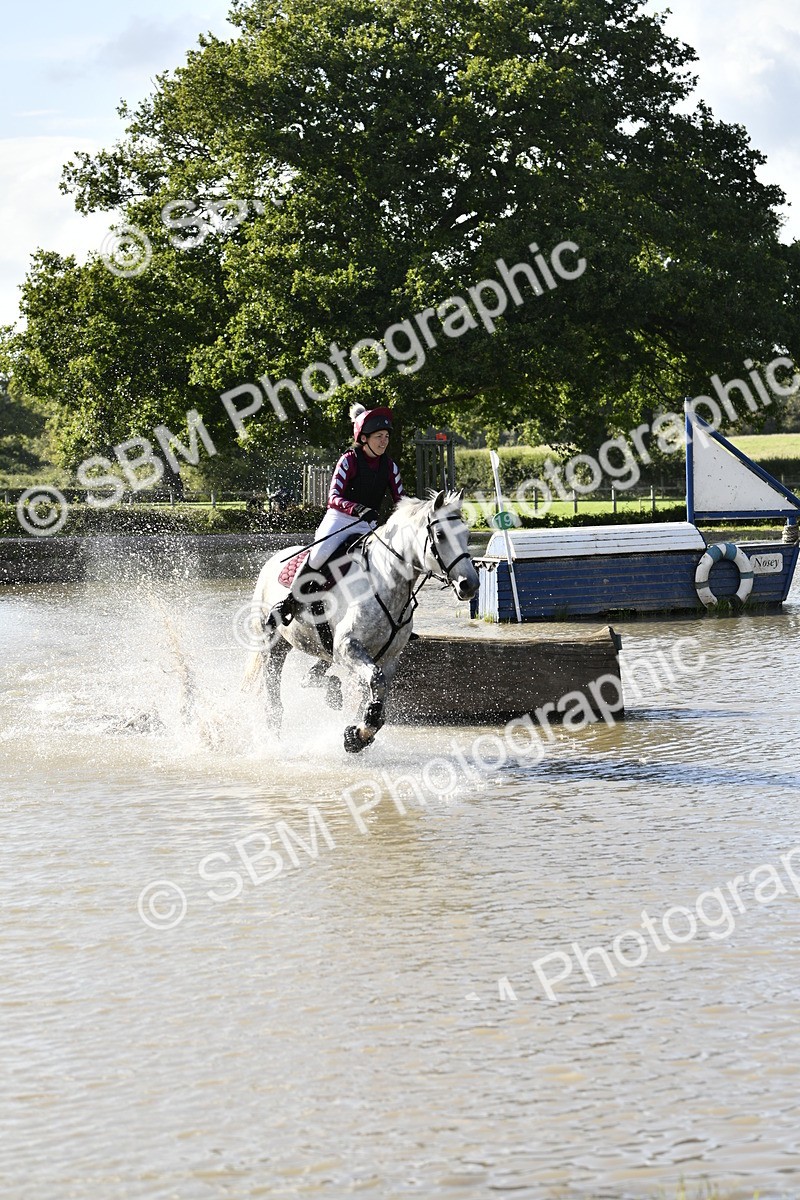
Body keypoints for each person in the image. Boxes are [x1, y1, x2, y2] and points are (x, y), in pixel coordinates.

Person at [276, 403, 406, 624]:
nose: (384, 441)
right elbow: (333, 497)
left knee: (393, 559)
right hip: (340, 519)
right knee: (320, 554)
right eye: (378, 437)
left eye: (386, 436)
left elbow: (401, 501)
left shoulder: (390, 466)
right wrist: (357, 508)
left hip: (368, 525)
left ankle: (397, 618)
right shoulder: (349, 460)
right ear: (363, 438)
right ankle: (289, 603)